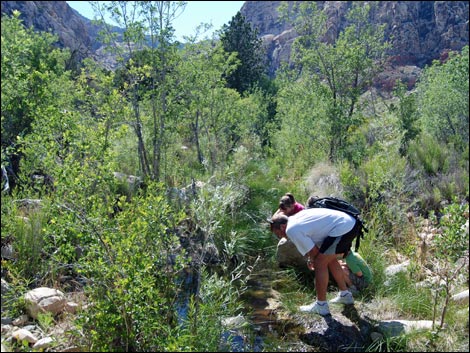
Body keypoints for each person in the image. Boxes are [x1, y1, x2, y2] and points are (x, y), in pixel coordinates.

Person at [267, 207, 363, 316]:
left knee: (319, 263)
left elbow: (315, 253)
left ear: (282, 226)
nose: (280, 237)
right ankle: (345, 295)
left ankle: (321, 305)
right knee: (330, 259)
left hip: (342, 228)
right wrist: (311, 258)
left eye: (278, 233)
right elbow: (316, 245)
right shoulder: (295, 219)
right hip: (349, 224)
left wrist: (312, 260)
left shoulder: (291, 229)